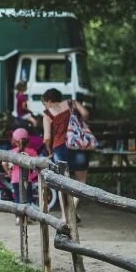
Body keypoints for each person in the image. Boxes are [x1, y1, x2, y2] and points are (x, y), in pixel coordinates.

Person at [42, 89, 91, 222]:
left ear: (48, 100)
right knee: (81, 182)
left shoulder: (47, 114)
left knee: (62, 184)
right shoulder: (71, 103)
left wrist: (48, 150)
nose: (45, 106)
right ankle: (72, 210)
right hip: (78, 145)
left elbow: (47, 137)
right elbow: (85, 114)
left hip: (60, 149)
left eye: (44, 103)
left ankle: (65, 216)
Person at [8, 127, 38, 204]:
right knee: (28, 200)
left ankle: (18, 212)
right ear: (27, 140)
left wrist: (9, 173)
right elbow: (38, 165)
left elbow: (4, 163)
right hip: (27, 179)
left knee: (17, 200)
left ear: (15, 141)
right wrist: (33, 175)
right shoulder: (32, 152)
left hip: (15, 179)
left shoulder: (11, 152)